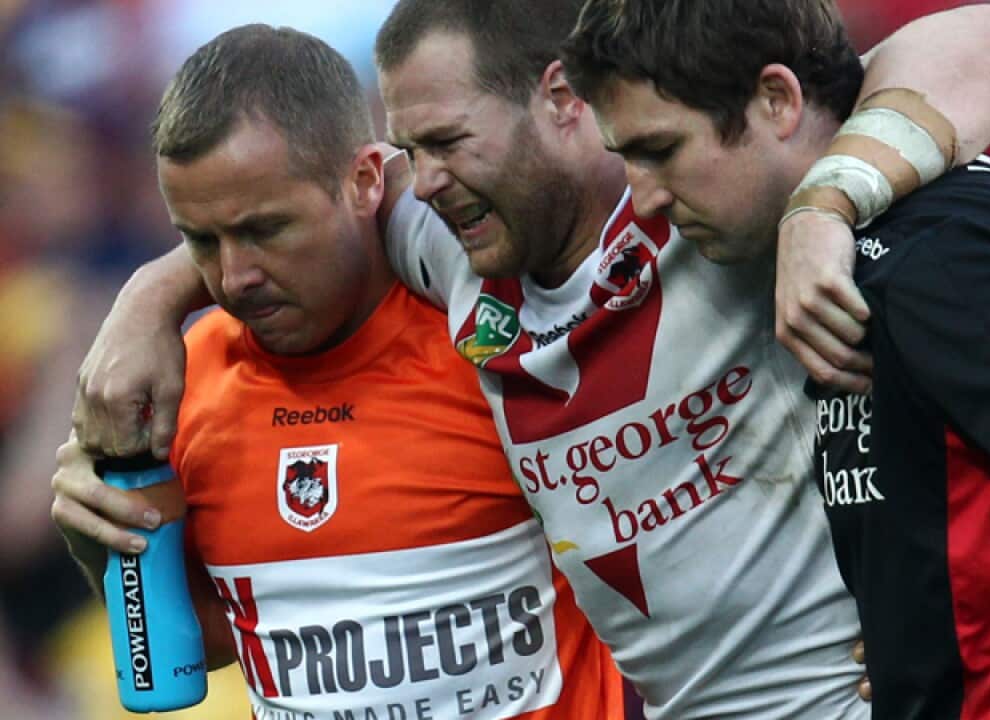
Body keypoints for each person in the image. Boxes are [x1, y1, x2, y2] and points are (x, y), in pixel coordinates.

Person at [61, 2, 990, 718]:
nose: (423, 179)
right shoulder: (453, 252)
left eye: (441, 142)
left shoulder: (705, 208)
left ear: (562, 100)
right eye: (409, 149)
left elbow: (987, 39)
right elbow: (287, 218)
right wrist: (146, 303)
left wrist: (828, 202)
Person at [559, 1, 990, 718]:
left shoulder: (936, 256)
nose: (644, 200)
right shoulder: (861, 242)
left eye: (662, 151)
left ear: (776, 101)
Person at [51, 24, 623, 720]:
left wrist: (149, 291)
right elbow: (212, 643)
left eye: (266, 229)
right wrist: (103, 546)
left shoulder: (489, 343)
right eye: (200, 240)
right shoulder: (187, 382)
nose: (235, 276)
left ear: (363, 182)